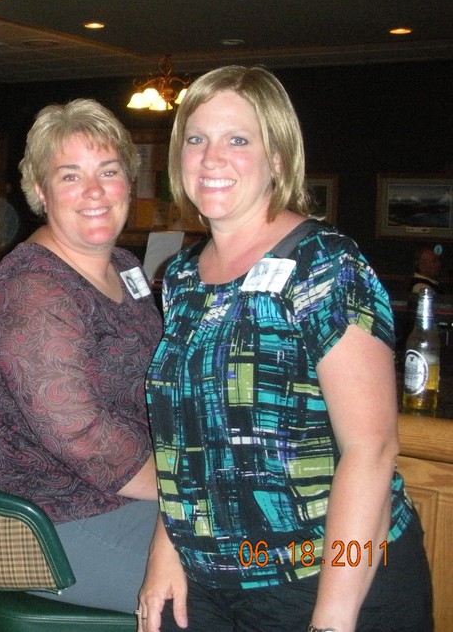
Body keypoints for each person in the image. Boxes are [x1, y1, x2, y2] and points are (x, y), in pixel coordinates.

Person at [138, 66, 432, 632]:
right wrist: (166, 550)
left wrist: (332, 618)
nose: (211, 158)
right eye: (196, 139)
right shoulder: (181, 277)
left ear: (277, 158)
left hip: (323, 578)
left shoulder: (324, 264)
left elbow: (371, 450)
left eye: (237, 140)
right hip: (206, 581)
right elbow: (187, 442)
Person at [0, 99, 161, 614]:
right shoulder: (34, 291)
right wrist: (194, 484)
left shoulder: (124, 265)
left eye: (108, 171)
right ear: (41, 192)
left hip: (128, 497)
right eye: (71, 176)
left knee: (311, 543)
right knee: (260, 577)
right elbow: (84, 437)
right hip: (59, 522)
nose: (94, 191)